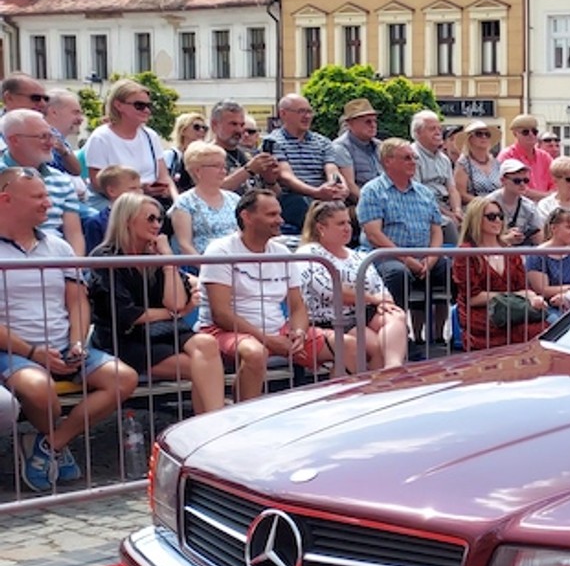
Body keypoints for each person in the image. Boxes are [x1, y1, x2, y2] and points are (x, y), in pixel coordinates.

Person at [0, 168, 138, 489]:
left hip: (63, 346)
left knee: (123, 379)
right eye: (38, 196)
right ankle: (50, 444)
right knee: (41, 391)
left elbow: (78, 302)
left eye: (47, 195)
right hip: (13, 350)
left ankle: (51, 444)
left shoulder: (59, 247)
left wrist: (77, 343)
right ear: (6, 199)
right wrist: (33, 352)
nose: (49, 203)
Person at [87, 193, 226, 413]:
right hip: (125, 337)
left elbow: (177, 303)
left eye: (160, 219)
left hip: (163, 331)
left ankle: (212, 421)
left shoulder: (156, 254)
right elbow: (128, 315)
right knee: (202, 368)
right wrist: (172, 313)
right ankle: (213, 421)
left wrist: (167, 260)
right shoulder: (106, 257)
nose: (157, 225)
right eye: (150, 219)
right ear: (127, 220)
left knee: (207, 345)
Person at [198, 189, 330, 401]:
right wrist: (268, 341)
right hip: (223, 332)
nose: (280, 220)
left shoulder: (282, 252)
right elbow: (221, 314)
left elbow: (297, 306)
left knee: (347, 345)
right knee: (255, 353)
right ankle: (242, 421)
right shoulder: (220, 250)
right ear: (247, 217)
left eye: (279, 213)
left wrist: (299, 333)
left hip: (277, 330)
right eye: (271, 215)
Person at [296, 200, 409, 373]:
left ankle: (393, 369)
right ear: (321, 228)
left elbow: (381, 290)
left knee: (396, 315)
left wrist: (384, 302)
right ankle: (373, 386)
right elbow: (330, 290)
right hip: (328, 321)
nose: (348, 228)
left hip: (360, 317)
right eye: (341, 223)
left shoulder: (357, 256)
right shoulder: (309, 254)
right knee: (375, 348)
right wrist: (373, 299)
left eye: (349, 222)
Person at [356, 138, 446, 317]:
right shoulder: (372, 191)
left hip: (423, 256)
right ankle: (397, 330)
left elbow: (436, 230)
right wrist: (407, 259)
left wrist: (432, 257)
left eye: (414, 158)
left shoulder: (425, 192)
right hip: (384, 256)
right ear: (388, 161)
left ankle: (443, 335)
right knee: (398, 273)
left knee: (454, 268)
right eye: (407, 158)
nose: (413, 162)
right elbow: (374, 235)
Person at [453, 196, 550, 349]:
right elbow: (472, 298)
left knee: (544, 327)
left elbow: (522, 286)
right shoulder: (466, 253)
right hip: (482, 312)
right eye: (491, 217)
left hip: (512, 309)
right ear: (477, 219)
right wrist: (514, 295)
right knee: (523, 331)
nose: (498, 220)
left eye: (500, 216)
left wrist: (532, 297)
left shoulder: (509, 252)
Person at [1, 109, 88, 252]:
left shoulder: (61, 180)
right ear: (14, 140)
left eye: (51, 136)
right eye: (43, 137)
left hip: (56, 260)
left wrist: (74, 269)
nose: (51, 143)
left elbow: (74, 234)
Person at [263, 94, 347, 233]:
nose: (307, 116)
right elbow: (285, 176)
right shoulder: (274, 142)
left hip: (321, 196)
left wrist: (340, 187)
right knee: (302, 205)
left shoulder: (323, 142)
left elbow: (332, 169)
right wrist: (316, 192)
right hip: (293, 198)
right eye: (301, 112)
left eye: (309, 112)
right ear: (283, 114)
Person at [79, 79, 174, 203]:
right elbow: (98, 183)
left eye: (149, 106)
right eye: (139, 105)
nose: (147, 111)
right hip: (118, 205)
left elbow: (164, 176)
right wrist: (138, 189)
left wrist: (177, 202)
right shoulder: (101, 138)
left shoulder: (151, 135)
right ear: (118, 105)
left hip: (151, 201)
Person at [170, 142, 243, 257]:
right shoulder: (184, 202)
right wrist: (207, 268)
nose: (223, 171)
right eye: (216, 166)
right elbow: (185, 245)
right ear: (198, 171)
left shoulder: (235, 199)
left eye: (224, 166)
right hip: (201, 267)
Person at [410, 110, 463, 244]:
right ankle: (457, 261)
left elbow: (452, 189)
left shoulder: (444, 159)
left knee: (476, 220)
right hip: (425, 208)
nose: (438, 132)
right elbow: (419, 195)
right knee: (449, 224)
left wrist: (457, 210)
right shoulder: (412, 157)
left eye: (439, 128)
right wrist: (449, 214)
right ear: (417, 133)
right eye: (432, 129)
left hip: (446, 206)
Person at [525, 208, 570, 317]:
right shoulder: (537, 255)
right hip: (546, 308)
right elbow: (542, 289)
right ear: (554, 228)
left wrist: (566, 296)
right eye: (569, 227)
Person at [330, 99, 382, 199]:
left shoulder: (380, 145)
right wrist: (373, 205)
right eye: (368, 121)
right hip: (359, 205)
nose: (373, 125)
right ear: (350, 124)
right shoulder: (340, 148)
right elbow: (350, 187)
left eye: (375, 121)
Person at [490, 160, 542, 245]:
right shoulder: (489, 203)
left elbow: (539, 238)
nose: (522, 184)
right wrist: (505, 239)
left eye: (526, 180)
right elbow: (481, 238)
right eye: (517, 181)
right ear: (503, 181)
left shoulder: (530, 207)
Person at [499, 115, 552, 198]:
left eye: (534, 131)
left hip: (546, 206)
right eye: (525, 132)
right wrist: (546, 197)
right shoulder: (507, 156)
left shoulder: (545, 157)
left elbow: (556, 182)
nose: (531, 135)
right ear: (515, 134)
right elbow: (512, 187)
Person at [455, 118, 503, 204]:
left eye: (487, 134)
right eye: (479, 134)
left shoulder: (496, 163)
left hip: (497, 208)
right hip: (474, 209)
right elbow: (461, 194)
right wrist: (484, 203)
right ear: (470, 138)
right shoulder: (463, 163)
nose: (484, 137)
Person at [164, 113, 210, 191]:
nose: (202, 131)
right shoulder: (170, 155)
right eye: (196, 127)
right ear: (183, 131)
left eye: (205, 128)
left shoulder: (206, 156)